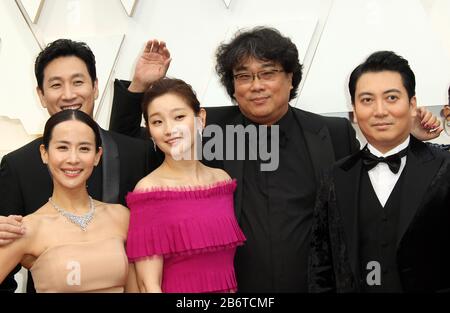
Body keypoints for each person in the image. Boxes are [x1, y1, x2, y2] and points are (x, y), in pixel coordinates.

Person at [108, 27, 441, 292]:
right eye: (243, 76)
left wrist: (407, 137)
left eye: (267, 73)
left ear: (290, 78)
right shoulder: (210, 130)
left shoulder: (332, 132)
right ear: (232, 86)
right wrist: (140, 86)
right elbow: (127, 145)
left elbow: (373, 179)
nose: (256, 86)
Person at [0, 39, 164, 292]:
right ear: (41, 95)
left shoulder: (134, 154)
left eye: (78, 82)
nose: (68, 94)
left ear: (96, 87)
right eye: (56, 85)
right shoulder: (17, 166)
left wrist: (139, 87)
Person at [309, 51, 450, 293]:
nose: (380, 111)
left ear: (412, 104)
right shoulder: (335, 176)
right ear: (353, 109)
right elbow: (321, 267)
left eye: (392, 98)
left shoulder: (444, 167)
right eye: (367, 100)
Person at [125, 78, 245, 293]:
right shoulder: (149, 191)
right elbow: (148, 285)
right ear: (150, 131)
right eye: (157, 122)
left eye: (179, 117)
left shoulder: (222, 181)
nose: (169, 129)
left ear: (201, 118)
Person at [0, 109, 138, 292]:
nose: (73, 159)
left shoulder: (121, 216)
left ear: (97, 156)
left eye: (84, 148)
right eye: (62, 147)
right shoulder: (27, 229)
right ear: (44, 153)